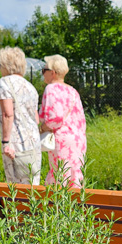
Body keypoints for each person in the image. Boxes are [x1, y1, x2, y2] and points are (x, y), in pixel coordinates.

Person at [0, 47, 41, 185]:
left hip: (15, 143)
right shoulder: (30, 86)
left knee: (16, 188)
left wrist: (5, 142)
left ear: (5, 64)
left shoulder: (4, 82)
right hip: (33, 144)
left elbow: (8, 114)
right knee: (32, 188)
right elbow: (36, 119)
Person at [39, 54, 86, 187]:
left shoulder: (51, 88)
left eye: (44, 70)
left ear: (52, 72)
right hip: (78, 141)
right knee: (75, 177)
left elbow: (55, 118)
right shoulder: (73, 91)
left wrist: (42, 128)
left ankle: (57, 207)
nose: (43, 74)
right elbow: (81, 120)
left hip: (62, 141)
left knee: (60, 176)